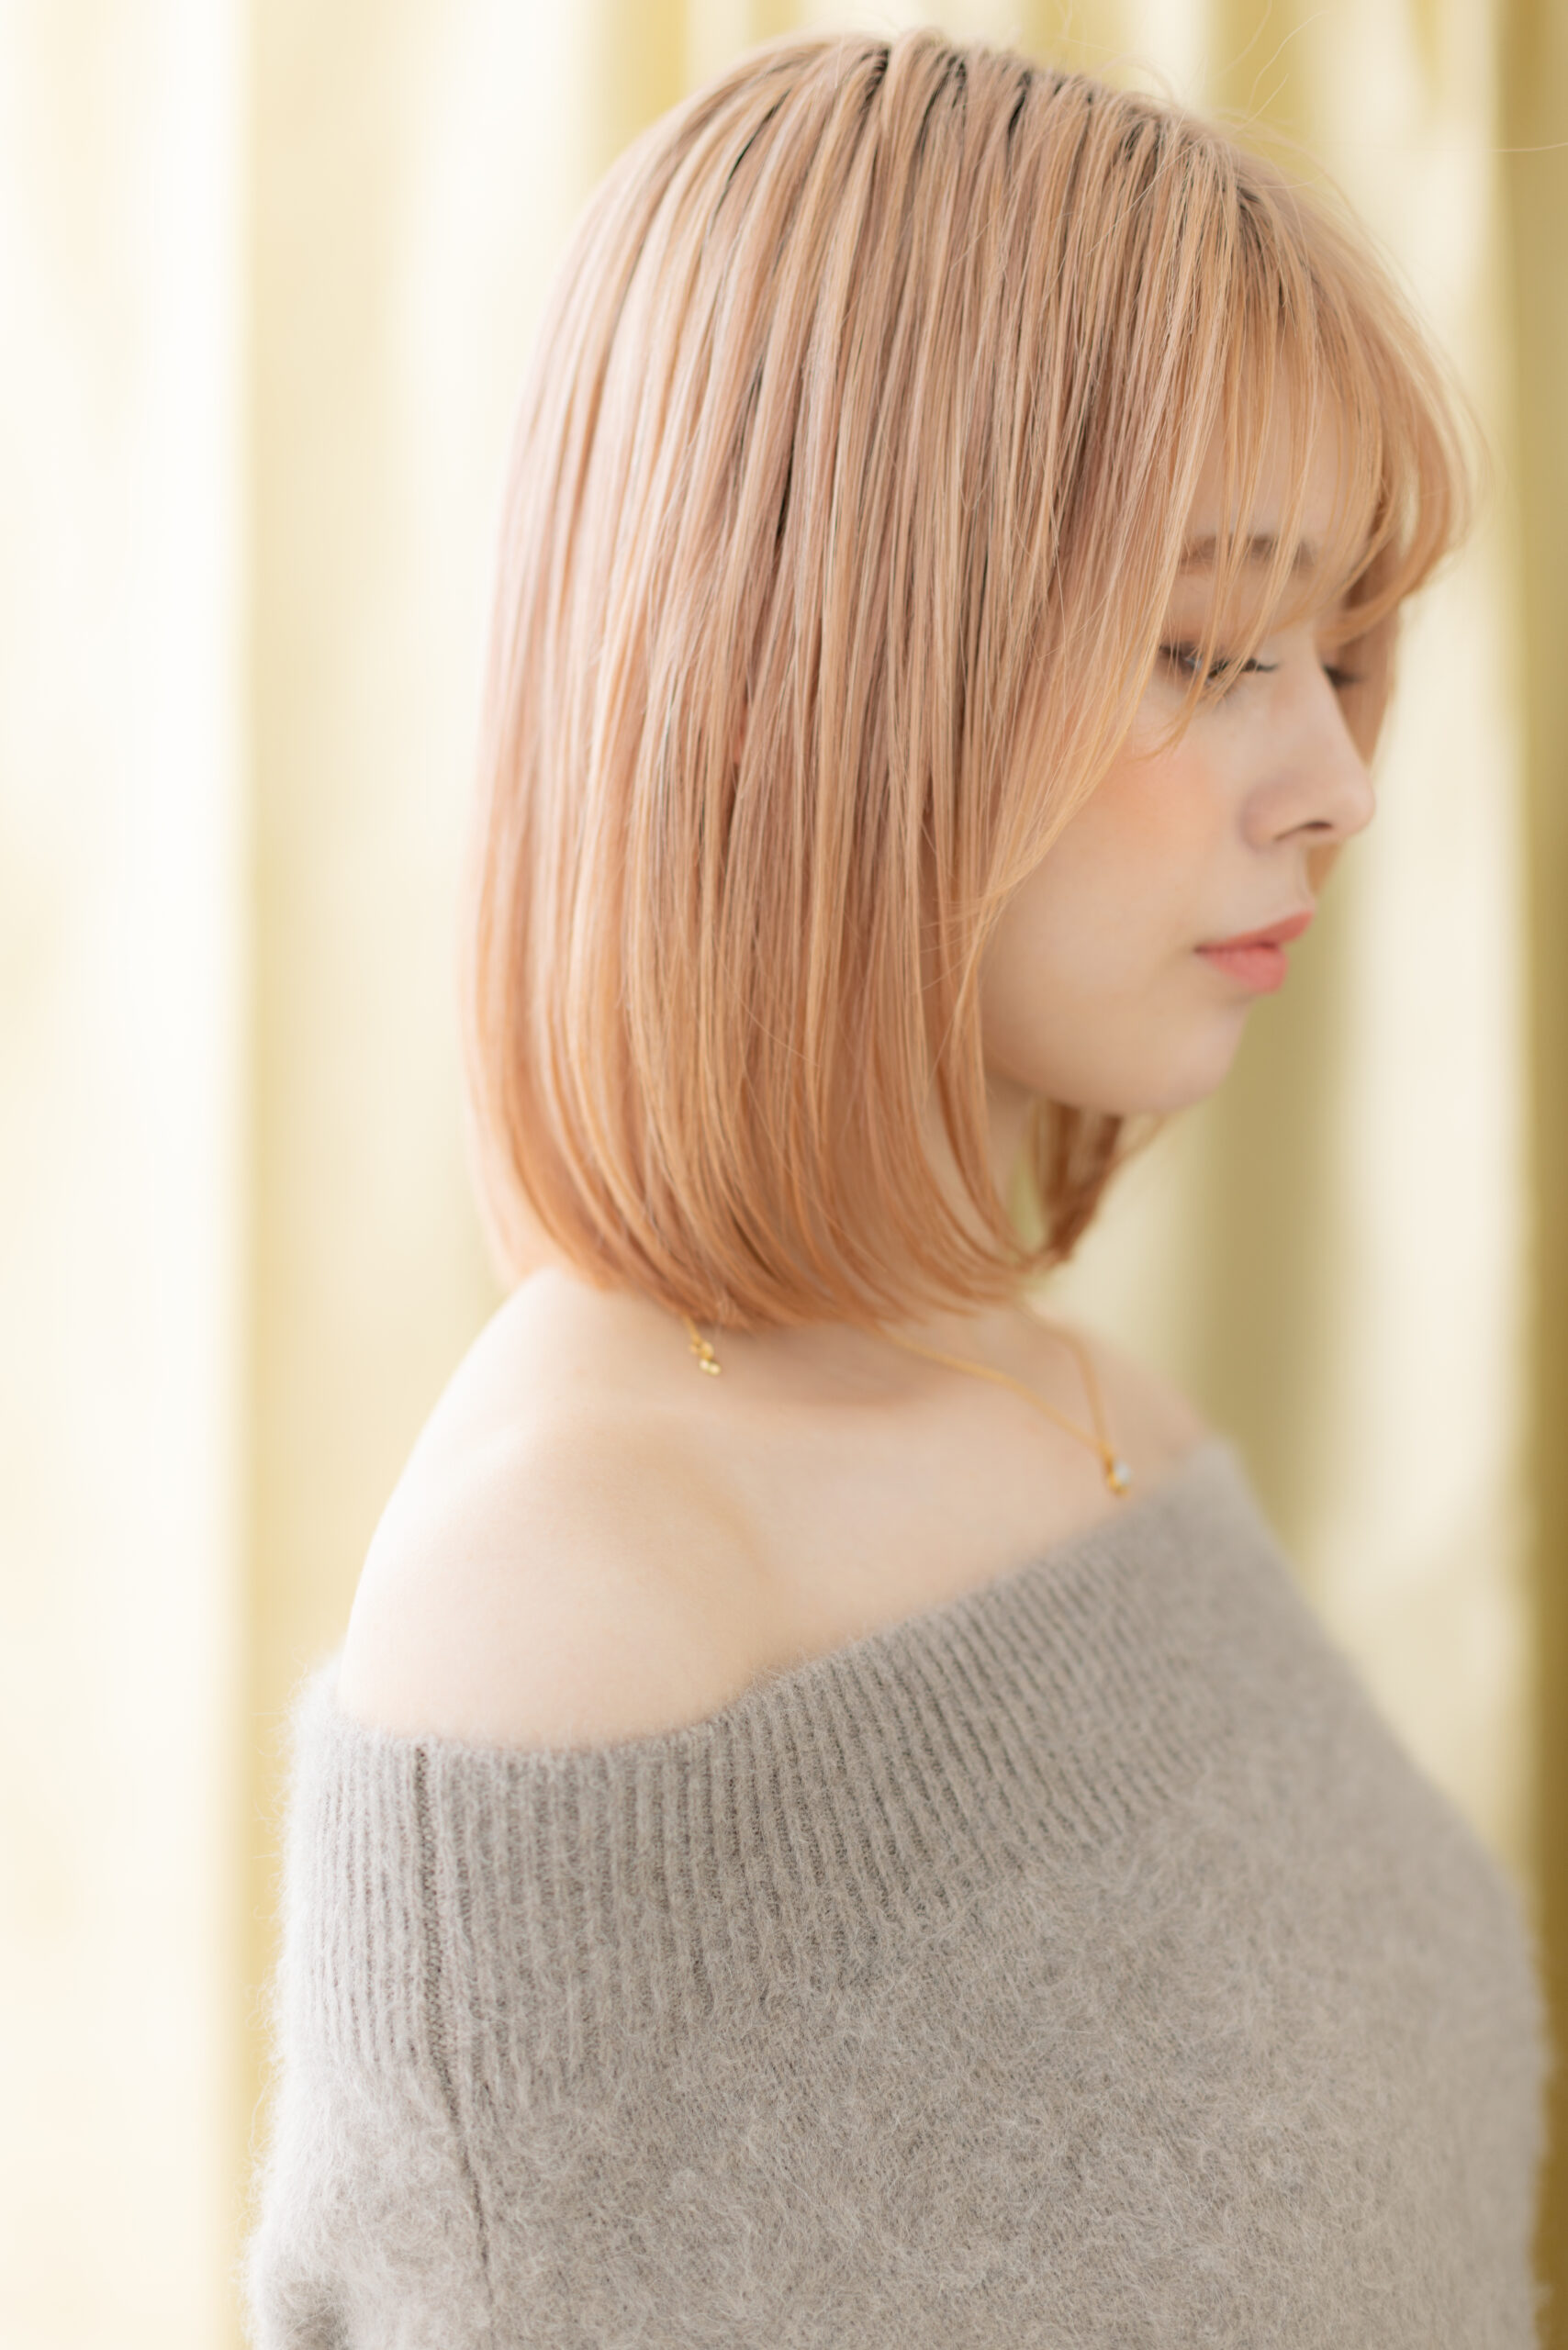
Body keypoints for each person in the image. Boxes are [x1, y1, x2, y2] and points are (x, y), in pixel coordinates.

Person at [242, 29, 1547, 2346]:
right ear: (794, 662)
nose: (1334, 774)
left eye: (1335, 647)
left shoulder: (1092, 1412)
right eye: (1201, 645)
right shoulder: (576, 1587)